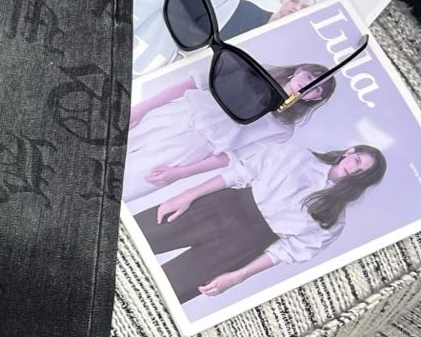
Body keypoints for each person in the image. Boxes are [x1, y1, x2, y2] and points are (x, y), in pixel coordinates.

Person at [132, 142, 384, 305]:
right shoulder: (295, 154)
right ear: (349, 151)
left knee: (167, 291)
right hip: (218, 207)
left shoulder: (335, 218)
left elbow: (284, 252)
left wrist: (238, 276)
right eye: (357, 161)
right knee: (135, 236)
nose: (355, 170)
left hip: (242, 246)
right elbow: (238, 173)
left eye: (363, 172)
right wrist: (187, 195)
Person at [122, 63, 335, 203]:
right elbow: (192, 83)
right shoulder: (255, 70)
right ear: (298, 71)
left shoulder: (282, 129)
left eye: (316, 88)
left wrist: (181, 173)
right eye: (308, 76)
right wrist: (142, 108)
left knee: (125, 185)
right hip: (174, 115)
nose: (307, 85)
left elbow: (230, 157)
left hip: (191, 149)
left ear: (315, 98)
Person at [219, 0, 317, 41]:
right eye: (293, 0)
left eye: (304, 7)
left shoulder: (286, 45)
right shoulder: (245, 9)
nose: (297, 7)